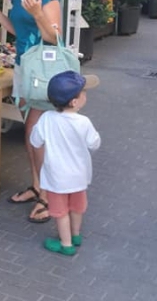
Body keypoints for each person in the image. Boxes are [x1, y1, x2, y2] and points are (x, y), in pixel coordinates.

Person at [0, 0, 61, 223]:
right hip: (24, 66)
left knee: (35, 134)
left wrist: (38, 12)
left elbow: (55, 36)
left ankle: (50, 197)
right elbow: (19, 30)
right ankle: (37, 186)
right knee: (32, 136)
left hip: (43, 69)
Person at [30, 70, 101, 256]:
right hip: (79, 176)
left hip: (56, 178)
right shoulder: (84, 122)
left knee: (60, 212)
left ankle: (65, 243)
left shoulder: (46, 119)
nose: (86, 95)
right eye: (83, 92)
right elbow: (94, 144)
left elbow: (35, 141)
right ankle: (75, 237)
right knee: (77, 208)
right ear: (74, 102)